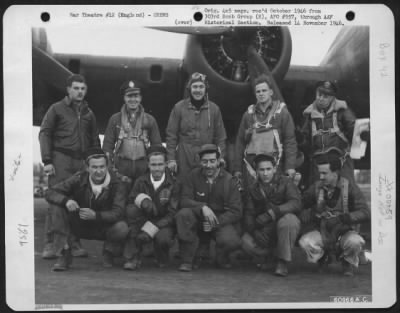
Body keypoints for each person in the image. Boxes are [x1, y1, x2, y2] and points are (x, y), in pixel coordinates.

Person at [39, 74, 101, 259]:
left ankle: (73, 243)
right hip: (60, 159)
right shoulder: (56, 109)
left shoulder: (89, 114)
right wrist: (47, 160)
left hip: (81, 162)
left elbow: (95, 140)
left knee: (77, 200)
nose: (79, 92)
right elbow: (45, 134)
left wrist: (95, 162)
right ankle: (51, 244)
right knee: (57, 199)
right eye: (76, 88)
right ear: (68, 89)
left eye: (82, 89)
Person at [45, 147, 129, 271]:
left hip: (104, 226)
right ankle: (64, 253)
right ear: (87, 167)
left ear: (107, 167)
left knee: (122, 228)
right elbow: (50, 192)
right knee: (57, 207)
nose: (99, 171)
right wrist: (66, 201)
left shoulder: (118, 183)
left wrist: (96, 215)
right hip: (81, 223)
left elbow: (118, 213)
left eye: (102, 167)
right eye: (94, 167)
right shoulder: (78, 178)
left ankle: (109, 251)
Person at [298, 154, 370, 276]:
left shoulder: (350, 187)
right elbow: (300, 203)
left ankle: (347, 262)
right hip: (323, 232)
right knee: (305, 242)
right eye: (320, 173)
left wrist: (342, 218)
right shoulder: (316, 187)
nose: (321, 177)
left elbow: (365, 212)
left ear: (335, 173)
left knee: (355, 242)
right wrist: (311, 212)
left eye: (324, 173)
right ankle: (323, 257)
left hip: (345, 232)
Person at [175, 144, 242, 272]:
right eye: (205, 161)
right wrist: (202, 207)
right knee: (183, 214)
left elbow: (236, 211)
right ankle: (187, 259)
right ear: (200, 161)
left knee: (232, 241)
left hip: (220, 221)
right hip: (198, 219)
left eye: (212, 161)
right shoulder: (192, 176)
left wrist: (215, 222)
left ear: (218, 161)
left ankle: (221, 256)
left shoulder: (229, 180)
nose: (209, 165)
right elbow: (184, 200)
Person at [234, 74, 298, 193]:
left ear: (271, 92)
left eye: (264, 90)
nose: (261, 93)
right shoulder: (248, 115)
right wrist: (237, 169)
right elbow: (240, 142)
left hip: (275, 167)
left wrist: (290, 167)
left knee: (275, 198)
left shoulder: (282, 113)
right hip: (251, 169)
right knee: (251, 200)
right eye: (258, 91)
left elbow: (290, 141)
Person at [243, 154, 301, 277]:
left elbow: (296, 203)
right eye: (262, 170)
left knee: (289, 221)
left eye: (268, 169)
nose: (265, 173)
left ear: (274, 169)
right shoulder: (252, 188)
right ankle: (270, 256)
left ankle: (282, 261)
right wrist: (254, 232)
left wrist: (273, 213)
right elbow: (248, 213)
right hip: (265, 229)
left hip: (283, 224)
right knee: (245, 241)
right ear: (256, 171)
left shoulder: (286, 182)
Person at [123, 145, 180, 270]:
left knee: (163, 239)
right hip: (144, 220)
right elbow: (130, 202)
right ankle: (133, 257)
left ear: (165, 164)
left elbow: (173, 213)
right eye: (153, 165)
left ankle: (161, 254)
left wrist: (153, 228)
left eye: (160, 164)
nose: (157, 168)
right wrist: (141, 200)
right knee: (132, 212)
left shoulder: (174, 184)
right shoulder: (140, 181)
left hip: (164, 223)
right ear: (148, 165)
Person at [166, 72, 227, 180]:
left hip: (207, 156)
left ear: (205, 89)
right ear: (189, 88)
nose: (198, 90)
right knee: (184, 186)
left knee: (206, 186)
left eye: (201, 87)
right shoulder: (179, 108)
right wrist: (171, 159)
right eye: (195, 87)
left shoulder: (214, 109)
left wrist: (220, 157)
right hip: (184, 156)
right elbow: (171, 135)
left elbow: (220, 137)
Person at [299, 81, 359, 186]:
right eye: (319, 95)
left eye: (325, 96)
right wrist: (300, 139)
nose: (321, 98)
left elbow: (355, 130)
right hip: (318, 163)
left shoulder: (343, 111)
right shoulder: (310, 116)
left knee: (346, 192)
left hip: (341, 161)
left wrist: (361, 133)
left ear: (332, 98)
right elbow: (306, 144)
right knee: (317, 193)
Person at [103, 80, 162, 184]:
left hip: (143, 169)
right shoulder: (115, 119)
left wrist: (155, 167)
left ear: (141, 98)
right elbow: (107, 145)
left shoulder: (150, 120)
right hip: (121, 168)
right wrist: (109, 167)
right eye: (129, 96)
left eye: (136, 96)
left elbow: (157, 146)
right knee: (120, 198)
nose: (133, 100)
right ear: (124, 98)